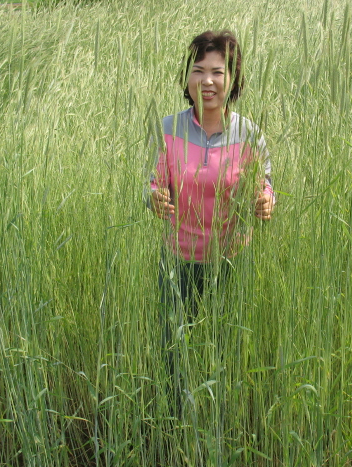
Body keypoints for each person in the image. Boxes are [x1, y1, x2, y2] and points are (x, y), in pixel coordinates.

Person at [146, 30, 274, 416]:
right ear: (186, 79)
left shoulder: (249, 133)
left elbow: (265, 184)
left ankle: (224, 422)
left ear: (232, 78)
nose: (207, 81)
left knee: (228, 354)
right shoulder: (167, 129)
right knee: (175, 357)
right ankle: (178, 426)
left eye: (217, 72)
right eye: (198, 71)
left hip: (232, 264)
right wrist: (152, 196)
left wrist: (266, 200)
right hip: (178, 264)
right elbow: (152, 182)